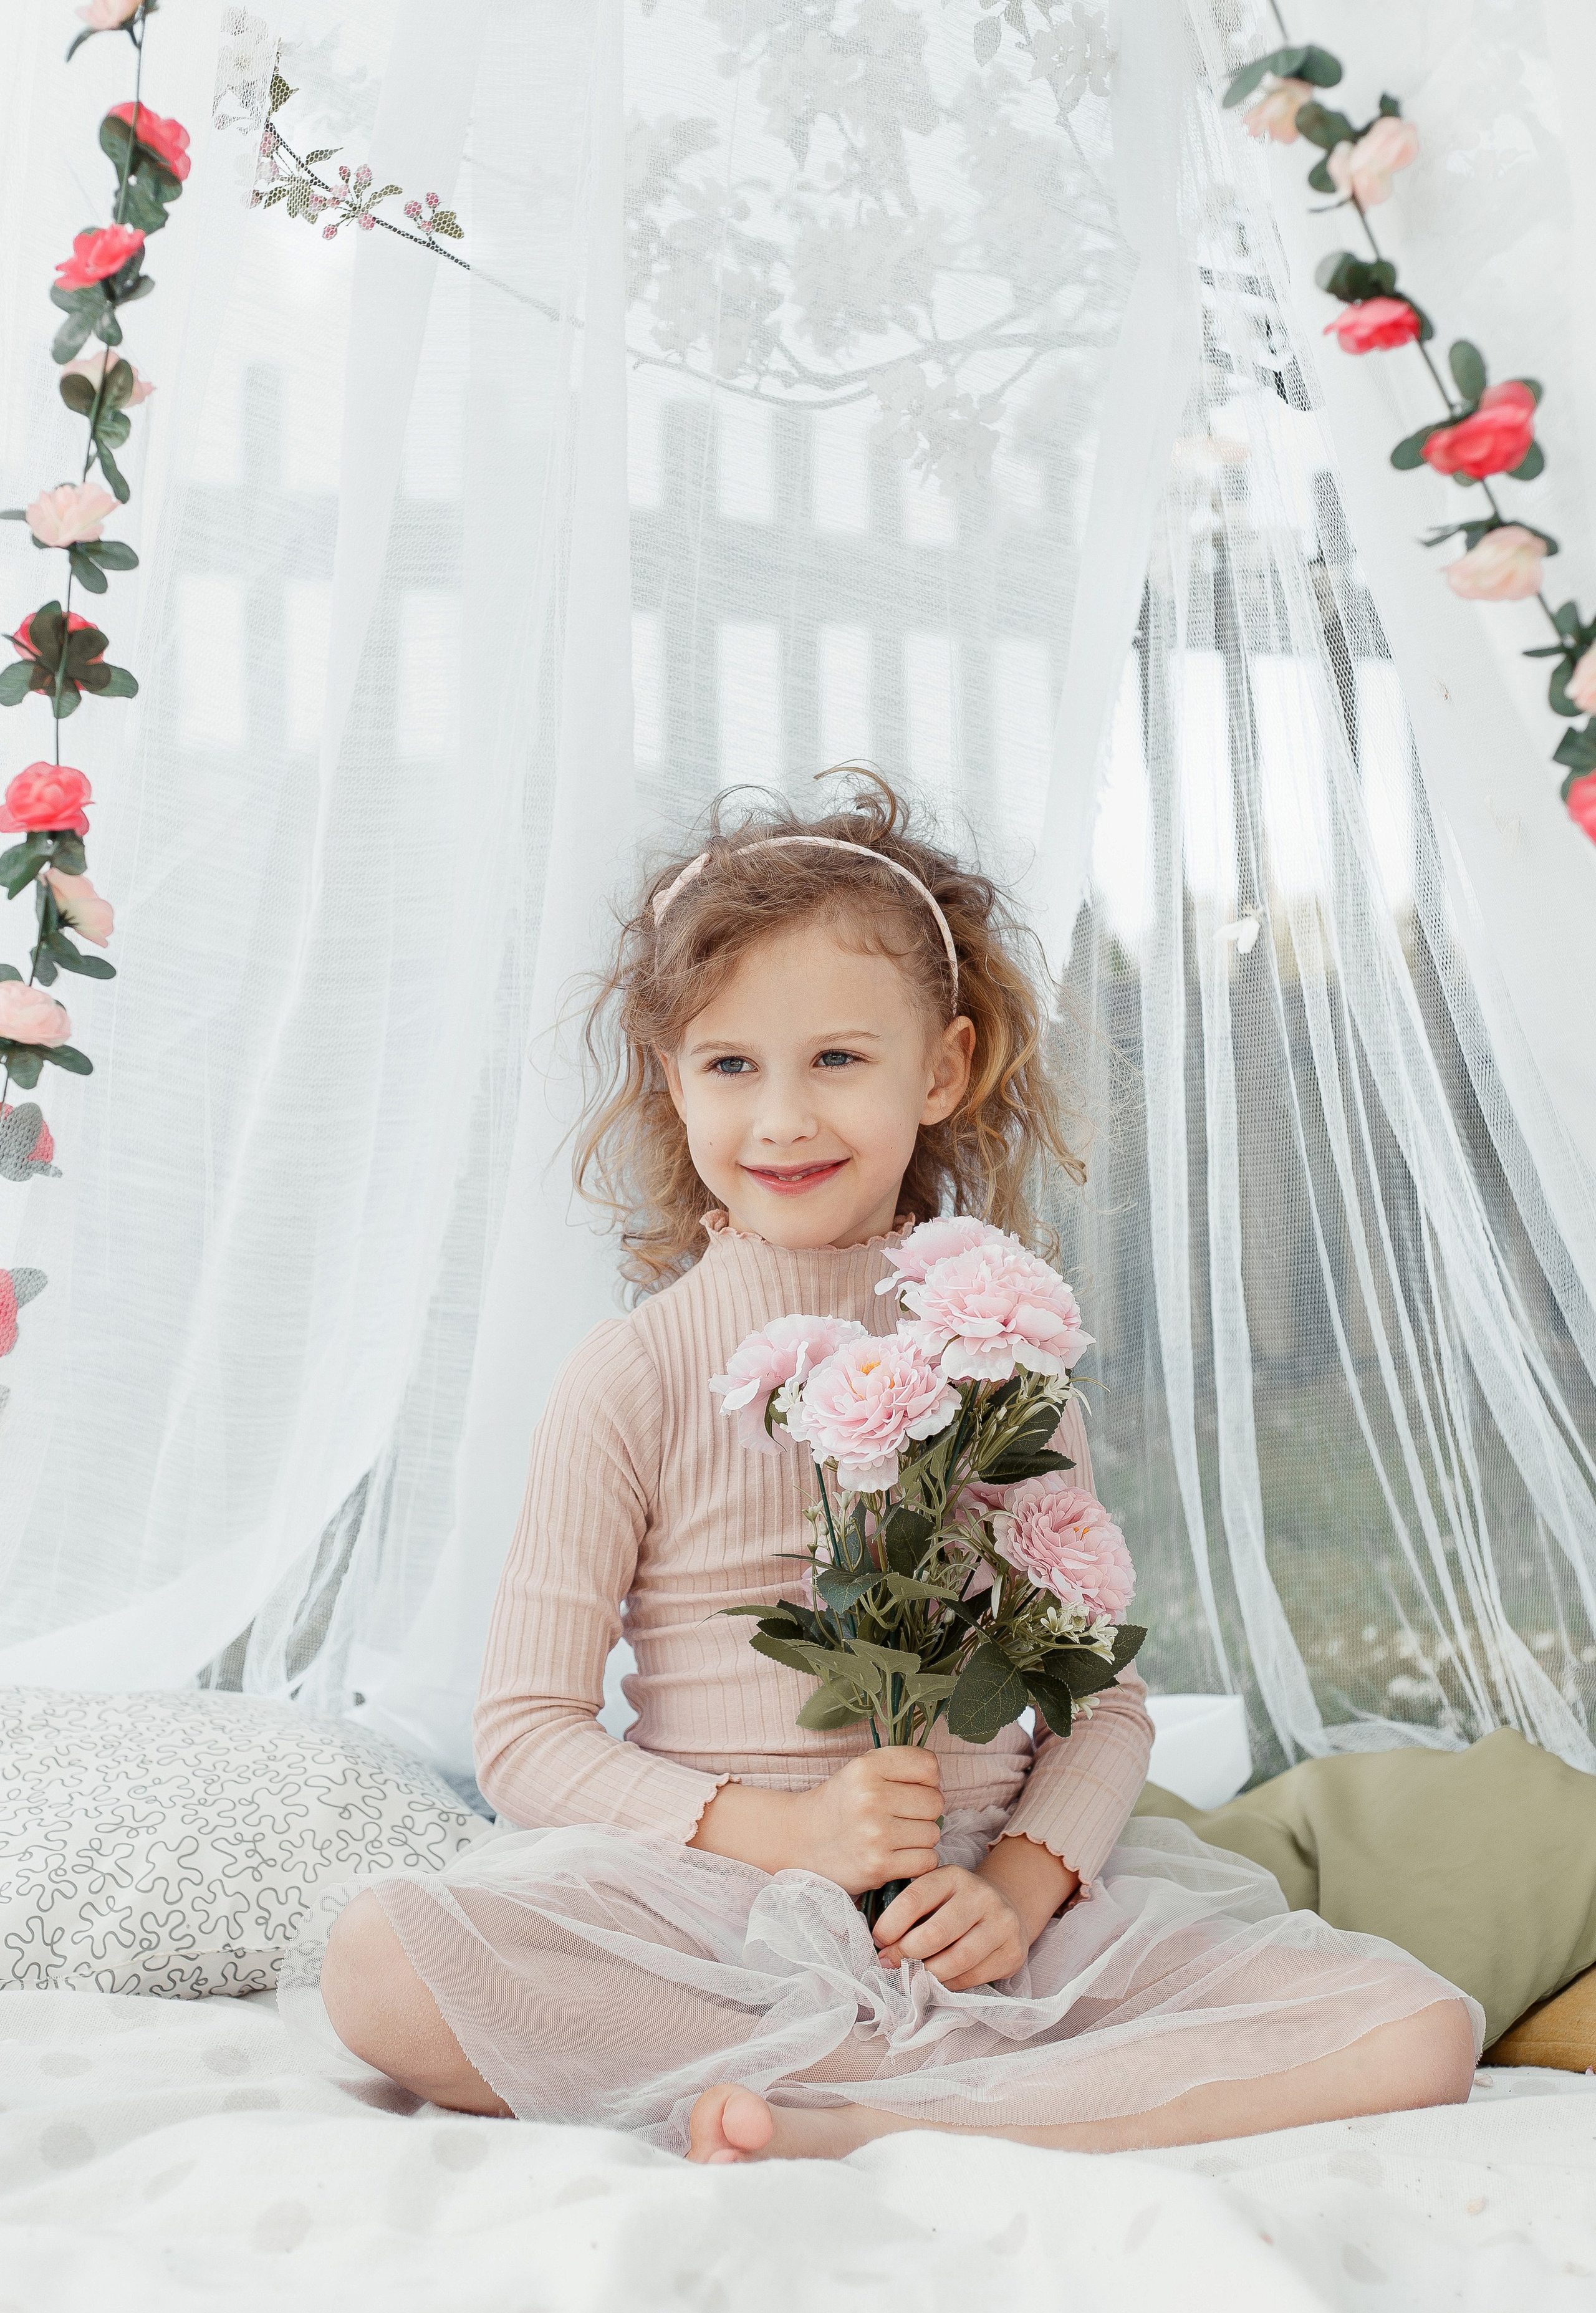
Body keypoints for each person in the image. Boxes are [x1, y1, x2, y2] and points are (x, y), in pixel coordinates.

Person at [317, 777, 1479, 2160]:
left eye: (838, 1061)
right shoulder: (628, 1374)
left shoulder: (998, 1351)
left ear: (940, 1070)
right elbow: (523, 1737)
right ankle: (922, 2091)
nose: (782, 1118)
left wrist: (1022, 1888)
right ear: (670, 1076)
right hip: (716, 1901)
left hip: (974, 1906)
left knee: (1419, 2029)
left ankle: (846, 2116)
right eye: (729, 1065)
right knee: (377, 1963)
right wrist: (785, 1834)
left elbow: (1098, 1704)